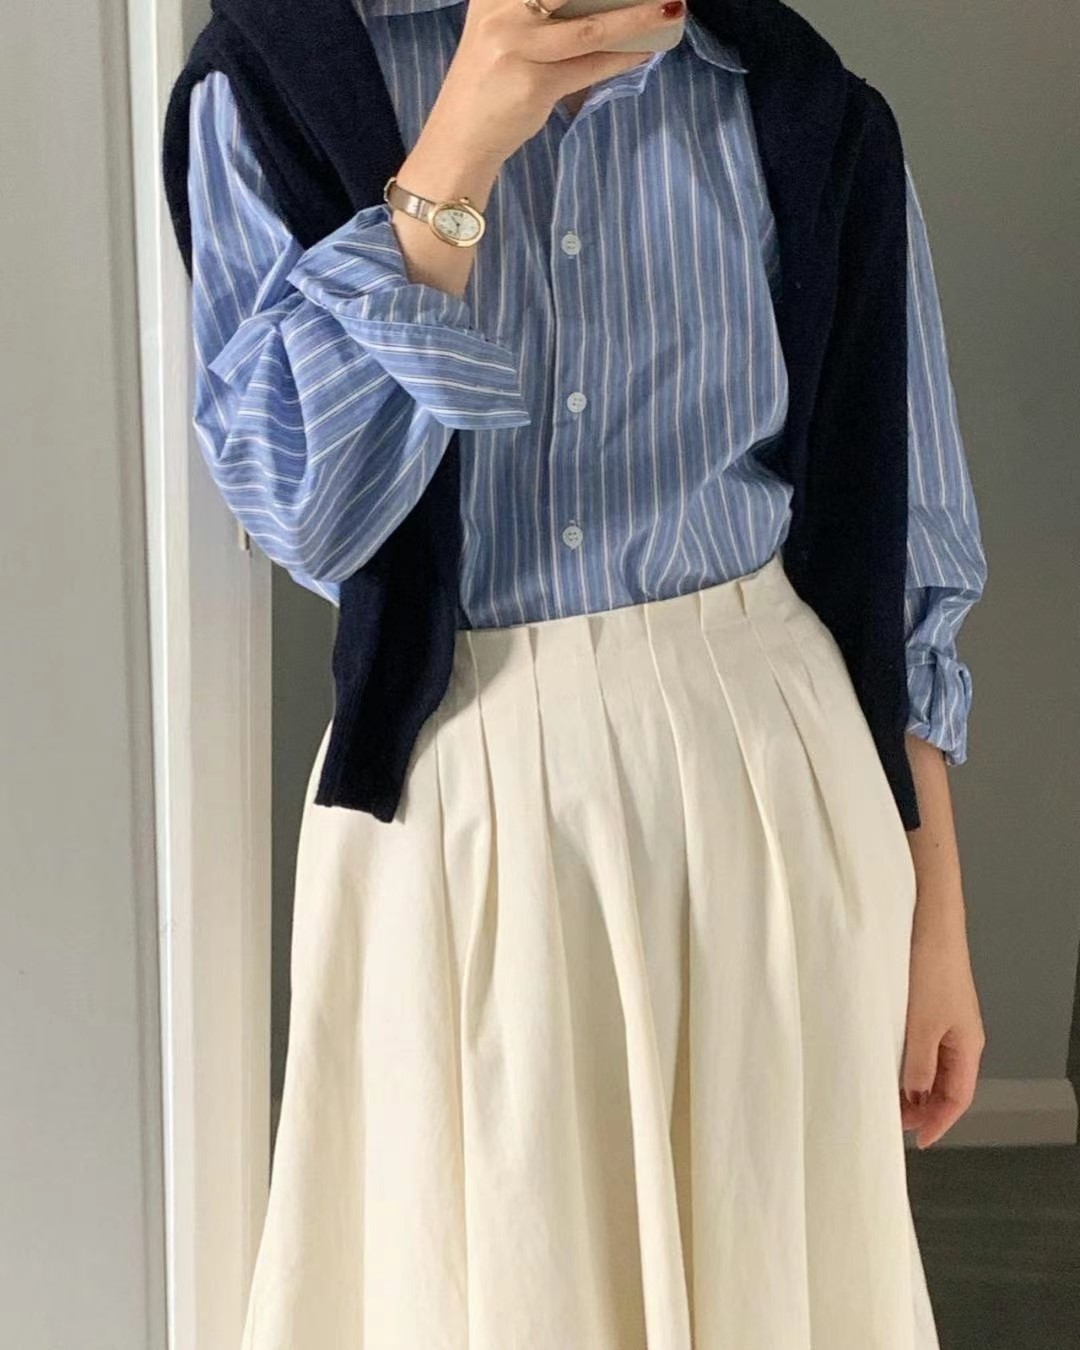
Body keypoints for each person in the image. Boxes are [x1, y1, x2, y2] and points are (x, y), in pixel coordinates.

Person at [173, 0, 988, 1343]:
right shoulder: (276, 81)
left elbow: (895, 551)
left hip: (776, 790)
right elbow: (301, 512)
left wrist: (935, 923)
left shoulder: (800, 102)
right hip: (461, 799)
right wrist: (456, 152)